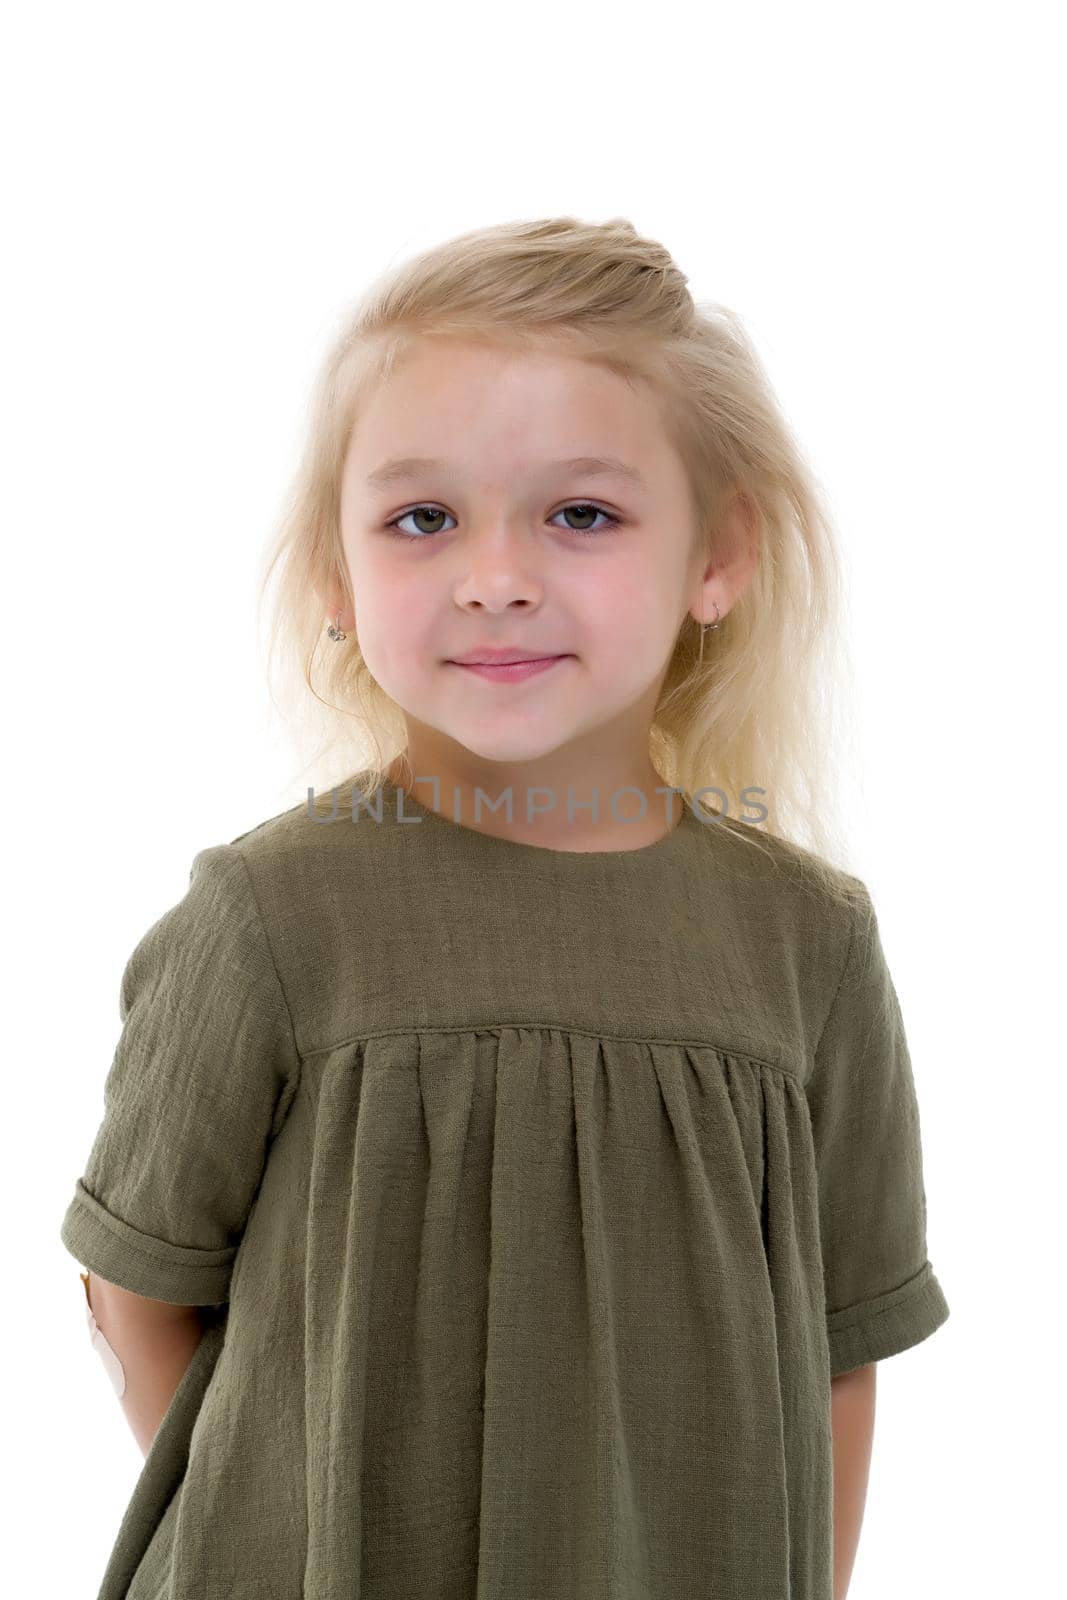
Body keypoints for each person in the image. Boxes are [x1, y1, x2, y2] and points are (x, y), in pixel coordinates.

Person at [60, 215, 951, 1600]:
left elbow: (841, 1341)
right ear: (333, 578)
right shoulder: (274, 918)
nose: (495, 577)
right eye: (423, 519)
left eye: (581, 514)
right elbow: (140, 1288)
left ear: (719, 554)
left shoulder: (806, 944)